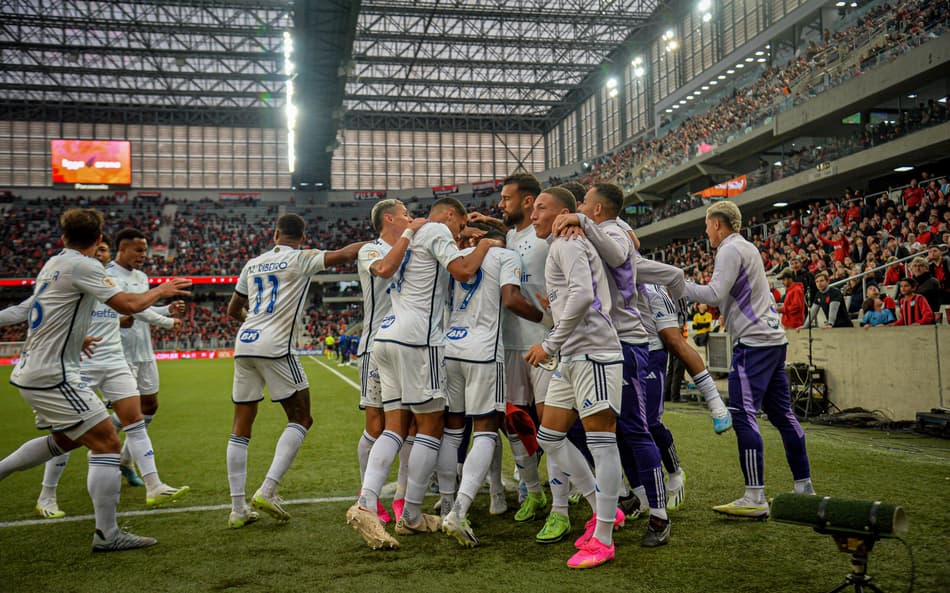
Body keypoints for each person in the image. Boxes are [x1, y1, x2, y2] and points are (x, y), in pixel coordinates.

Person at [0, 208, 191, 551]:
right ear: (100, 239)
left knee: (65, 440)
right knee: (106, 442)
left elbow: (34, 312)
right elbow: (129, 304)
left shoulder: (54, 263)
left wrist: (76, 338)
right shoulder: (84, 266)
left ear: (63, 238)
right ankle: (107, 534)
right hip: (54, 375)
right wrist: (162, 291)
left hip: (38, 369)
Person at [346, 197, 502, 550]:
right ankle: (412, 514)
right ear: (450, 216)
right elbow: (464, 272)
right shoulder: (434, 230)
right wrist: (486, 246)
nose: (461, 233)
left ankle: (367, 502)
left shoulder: (409, 236)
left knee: (394, 426)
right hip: (419, 341)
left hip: (385, 336)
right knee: (432, 427)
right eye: (460, 226)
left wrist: (460, 244)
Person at [552, 183, 670, 548]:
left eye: (585, 204)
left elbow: (621, 255)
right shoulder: (593, 230)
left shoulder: (613, 231)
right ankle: (619, 495)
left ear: (598, 208)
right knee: (569, 431)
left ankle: (660, 515)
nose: (579, 208)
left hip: (625, 341)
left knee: (634, 429)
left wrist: (584, 225)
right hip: (599, 345)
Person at [225, 213, 362, 528]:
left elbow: (233, 309)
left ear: (274, 234)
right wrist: (386, 241)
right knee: (301, 418)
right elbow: (347, 254)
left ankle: (237, 510)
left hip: (244, 344)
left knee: (240, 426)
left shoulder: (252, 263)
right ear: (303, 237)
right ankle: (268, 490)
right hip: (276, 347)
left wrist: (254, 327)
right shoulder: (302, 258)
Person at [682, 201, 814, 519]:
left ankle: (755, 496)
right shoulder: (748, 248)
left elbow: (714, 295)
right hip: (772, 339)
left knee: (742, 415)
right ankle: (804, 488)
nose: (705, 231)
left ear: (717, 224)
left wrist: (678, 285)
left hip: (753, 343)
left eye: (707, 225)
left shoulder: (729, 250)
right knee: (783, 415)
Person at [525, 187, 626, 569]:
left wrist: (549, 343)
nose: (534, 215)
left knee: (602, 444)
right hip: (574, 354)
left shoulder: (567, 242)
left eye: (541, 208)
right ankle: (603, 508)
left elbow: (584, 296)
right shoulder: (563, 244)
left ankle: (603, 537)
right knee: (549, 435)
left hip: (594, 353)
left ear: (563, 213)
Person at [469, 173, 570, 529]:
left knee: (551, 429)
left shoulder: (551, 238)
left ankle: (561, 507)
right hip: (509, 347)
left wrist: (548, 322)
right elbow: (511, 228)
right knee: (514, 425)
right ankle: (532, 491)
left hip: (545, 344)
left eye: (506, 199)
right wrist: (490, 222)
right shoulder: (510, 236)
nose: (500, 204)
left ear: (528, 202)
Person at [441, 228, 544, 547]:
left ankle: (449, 503)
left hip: (449, 349)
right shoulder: (504, 255)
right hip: (484, 352)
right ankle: (458, 511)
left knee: (455, 432)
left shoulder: (455, 261)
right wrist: (548, 318)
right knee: (489, 429)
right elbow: (511, 298)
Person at [354, 199, 426, 524]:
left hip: (407, 345)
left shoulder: (409, 246)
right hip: (375, 347)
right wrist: (410, 234)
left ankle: (401, 496)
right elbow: (384, 269)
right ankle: (367, 496)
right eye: (405, 214)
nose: (409, 218)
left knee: (410, 426)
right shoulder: (370, 250)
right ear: (389, 218)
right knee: (376, 427)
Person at [108, 228, 185, 484]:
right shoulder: (109, 275)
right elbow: (132, 308)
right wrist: (166, 321)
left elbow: (143, 305)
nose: (143, 255)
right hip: (120, 353)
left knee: (150, 405)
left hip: (144, 350)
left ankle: (124, 460)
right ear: (122, 248)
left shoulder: (141, 276)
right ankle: (102, 433)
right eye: (138, 250)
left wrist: (166, 307)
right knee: (132, 413)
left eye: (145, 250)